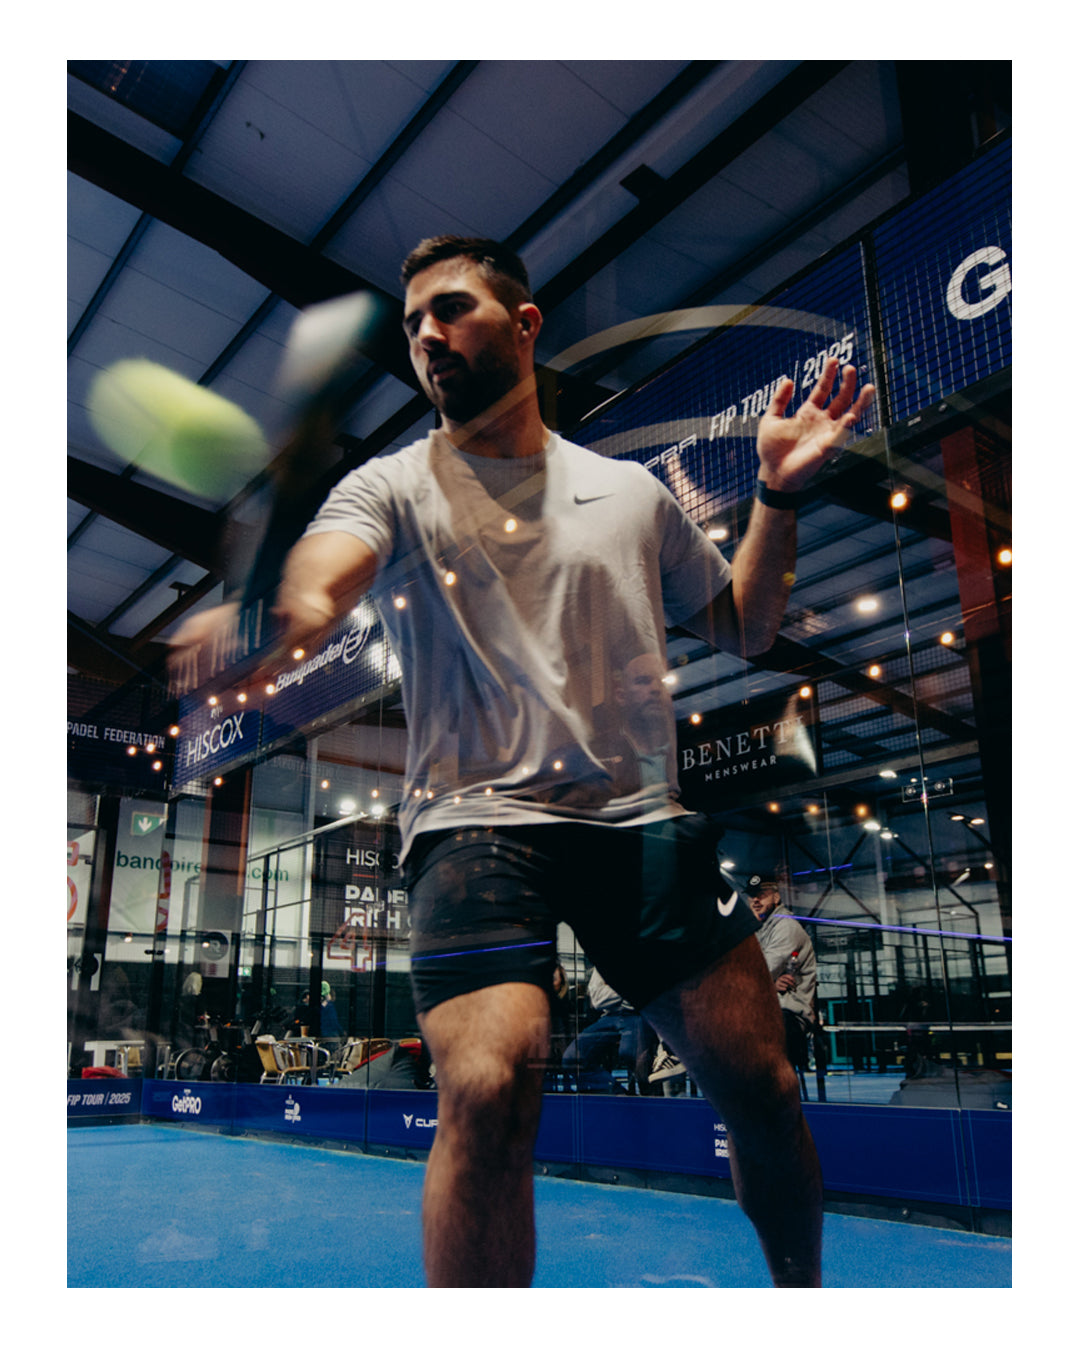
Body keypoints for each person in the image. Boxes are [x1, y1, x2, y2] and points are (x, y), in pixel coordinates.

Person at [171, 234, 874, 1287]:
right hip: (475, 827)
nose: (427, 334)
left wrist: (776, 494)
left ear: (526, 323)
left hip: (641, 826)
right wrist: (268, 618)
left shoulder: (630, 493)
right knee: (491, 1085)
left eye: (451, 308)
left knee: (766, 1091)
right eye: (413, 322)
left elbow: (748, 625)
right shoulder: (390, 487)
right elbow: (318, 587)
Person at [747, 873, 819, 1079]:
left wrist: (764, 982)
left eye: (762, 894)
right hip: (766, 1009)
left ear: (776, 897)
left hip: (789, 1014)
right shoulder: (760, 928)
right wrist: (769, 984)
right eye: (752, 896)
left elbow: (758, 972)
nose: (755, 900)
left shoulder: (785, 926)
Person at [561, 965, 652, 1093]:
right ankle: (619, 1095)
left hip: (638, 1014)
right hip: (609, 1016)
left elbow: (645, 991)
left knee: (632, 1055)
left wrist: (609, 987)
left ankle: (647, 1096)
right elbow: (597, 1000)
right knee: (572, 1058)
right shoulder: (602, 962)